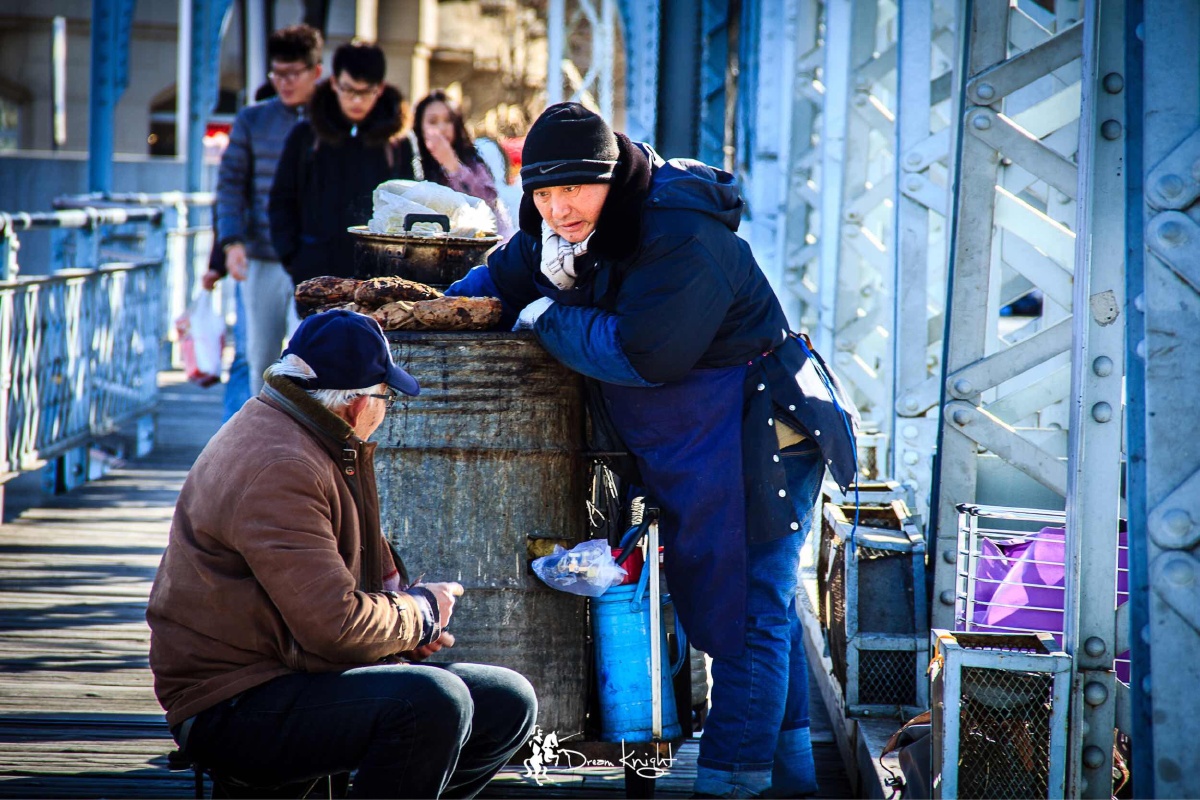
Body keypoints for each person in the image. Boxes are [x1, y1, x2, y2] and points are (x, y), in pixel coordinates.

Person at [446, 102, 860, 798]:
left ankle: (733, 783)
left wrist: (547, 317)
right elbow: (500, 279)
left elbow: (644, 354)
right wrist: (426, 314)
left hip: (763, 424)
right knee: (762, 605)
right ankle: (791, 781)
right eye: (542, 193)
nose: (558, 208)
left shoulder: (678, 234)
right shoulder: (556, 232)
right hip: (702, 430)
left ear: (612, 177)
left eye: (573, 189)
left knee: (747, 608)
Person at [146, 309, 537, 798]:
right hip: (233, 701)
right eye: (387, 396)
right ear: (356, 404)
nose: (388, 406)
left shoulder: (308, 434)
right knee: (432, 701)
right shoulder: (282, 465)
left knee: (506, 701)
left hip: (290, 668)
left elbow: (336, 596)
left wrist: (403, 625)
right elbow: (336, 628)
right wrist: (420, 612)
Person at [208, 24, 323, 400]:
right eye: (277, 73)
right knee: (260, 359)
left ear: (316, 72)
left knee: (315, 359)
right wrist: (231, 242)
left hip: (318, 260)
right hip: (263, 257)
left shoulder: (332, 122)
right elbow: (229, 186)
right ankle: (263, 439)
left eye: (294, 74)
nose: (284, 82)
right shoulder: (252, 120)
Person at [270, 41, 414, 287]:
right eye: (348, 90)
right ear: (334, 83)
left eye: (365, 91)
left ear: (379, 89)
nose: (356, 101)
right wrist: (294, 258)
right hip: (315, 275)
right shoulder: (306, 135)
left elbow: (410, 208)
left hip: (379, 279)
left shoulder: (397, 143)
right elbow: (282, 200)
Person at [409, 90, 514, 238]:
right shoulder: (412, 162)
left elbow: (487, 202)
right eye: (433, 122)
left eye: (448, 120)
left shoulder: (472, 159)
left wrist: (452, 166)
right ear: (419, 127)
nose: (441, 127)